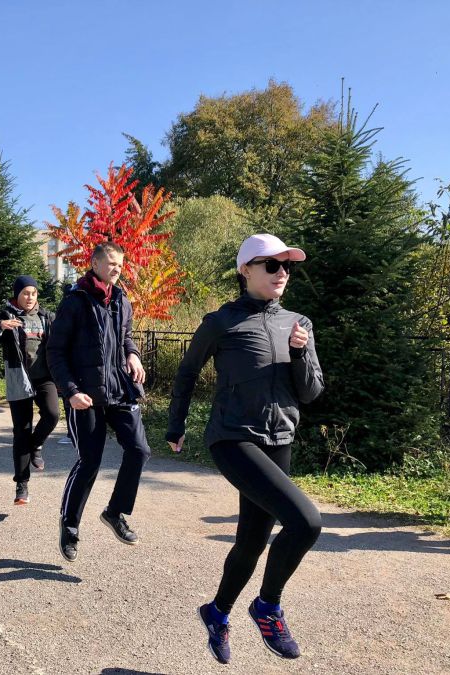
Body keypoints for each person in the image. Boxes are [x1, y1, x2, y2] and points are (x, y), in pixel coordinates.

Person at [166, 234, 324, 664]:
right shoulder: (221, 322)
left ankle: (216, 613)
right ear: (245, 271)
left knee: (252, 541)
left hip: (280, 439)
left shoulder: (298, 323)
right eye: (271, 265)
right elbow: (186, 373)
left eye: (286, 266)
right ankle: (267, 605)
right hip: (233, 438)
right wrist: (175, 425)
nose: (282, 273)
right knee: (307, 522)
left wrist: (300, 353)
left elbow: (310, 393)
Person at [47, 242, 151, 563]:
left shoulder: (121, 299)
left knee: (139, 449)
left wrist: (133, 354)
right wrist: (70, 390)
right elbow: (56, 352)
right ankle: (70, 525)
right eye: (111, 262)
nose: (117, 268)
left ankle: (115, 512)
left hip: (120, 390)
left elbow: (126, 337)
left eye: (121, 263)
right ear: (94, 263)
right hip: (85, 396)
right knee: (89, 461)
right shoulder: (76, 301)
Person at [0, 275, 58, 505]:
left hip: (44, 378)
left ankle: (35, 445)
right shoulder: (6, 316)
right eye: (25, 293)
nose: (29, 297)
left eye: (33, 293)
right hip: (18, 379)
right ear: (17, 295)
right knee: (21, 431)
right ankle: (22, 486)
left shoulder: (47, 317)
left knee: (52, 415)